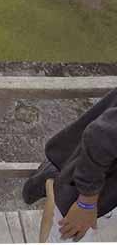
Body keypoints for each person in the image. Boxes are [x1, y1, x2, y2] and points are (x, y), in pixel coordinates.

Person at [23, 88, 117, 242]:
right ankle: (57, 182)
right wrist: (87, 203)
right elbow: (99, 137)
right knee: (64, 234)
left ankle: (54, 180)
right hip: (92, 189)